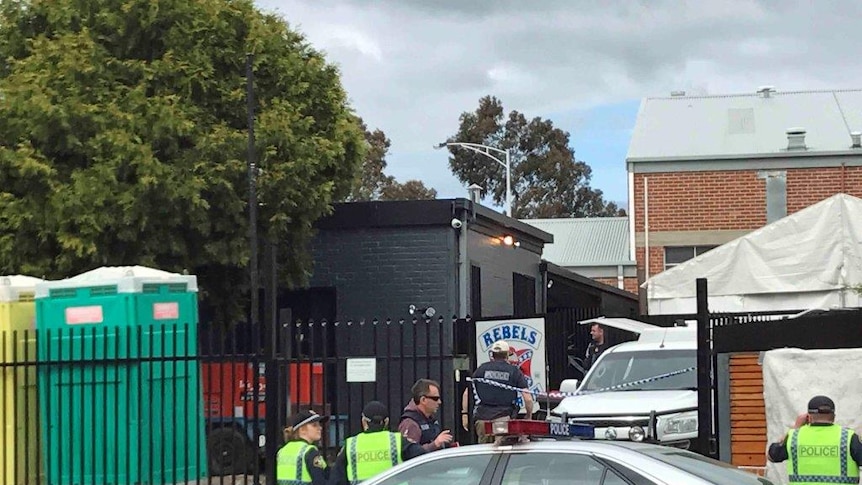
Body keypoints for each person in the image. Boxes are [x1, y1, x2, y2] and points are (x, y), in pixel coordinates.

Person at [767, 395, 862, 484]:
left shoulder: (794, 437)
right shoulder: (848, 437)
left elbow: (771, 456)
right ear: (833, 416)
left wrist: (795, 428)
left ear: (809, 417)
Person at [330, 401, 426, 485]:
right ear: (386, 422)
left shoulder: (351, 446)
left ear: (364, 421)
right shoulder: (398, 441)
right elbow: (424, 461)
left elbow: (336, 480)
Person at [471, 340, 533, 443]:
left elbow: (467, 392)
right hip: (503, 419)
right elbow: (528, 398)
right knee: (501, 452)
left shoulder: (482, 369)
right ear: (507, 355)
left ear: (492, 355)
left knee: (483, 452)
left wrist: (464, 414)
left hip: (482, 419)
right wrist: (529, 415)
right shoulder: (513, 371)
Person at [276, 410, 330, 485]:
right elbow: (320, 481)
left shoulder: (282, 451)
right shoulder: (309, 451)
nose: (320, 428)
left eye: (319, 424)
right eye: (314, 425)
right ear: (302, 430)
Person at [398, 379, 454, 450]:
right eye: (435, 398)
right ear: (423, 400)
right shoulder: (410, 423)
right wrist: (435, 444)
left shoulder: (430, 419)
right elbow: (410, 454)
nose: (439, 402)